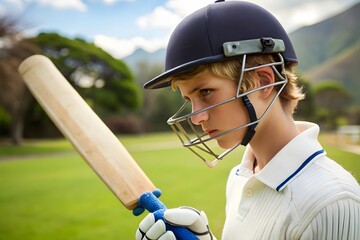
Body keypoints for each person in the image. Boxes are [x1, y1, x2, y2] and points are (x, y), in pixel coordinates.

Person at [135, 0, 360, 239]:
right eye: (190, 99)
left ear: (263, 82)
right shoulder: (240, 177)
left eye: (206, 92)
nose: (197, 117)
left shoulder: (332, 202)